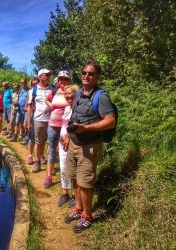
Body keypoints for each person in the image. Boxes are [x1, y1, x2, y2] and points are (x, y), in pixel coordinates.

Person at [63, 60, 116, 233]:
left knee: (85, 182)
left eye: (91, 73)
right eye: (84, 72)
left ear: (97, 76)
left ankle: (87, 215)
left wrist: (86, 128)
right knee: (75, 179)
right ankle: (78, 209)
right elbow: (74, 115)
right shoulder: (78, 93)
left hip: (90, 146)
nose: (86, 76)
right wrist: (67, 136)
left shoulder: (101, 96)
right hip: (74, 143)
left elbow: (110, 121)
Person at [43, 70, 70, 188]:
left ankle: (66, 180)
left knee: (66, 152)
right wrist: (52, 107)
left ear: (68, 81)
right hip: (52, 125)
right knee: (52, 151)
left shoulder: (71, 93)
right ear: (58, 81)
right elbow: (46, 100)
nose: (63, 81)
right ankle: (49, 176)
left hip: (66, 127)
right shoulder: (53, 92)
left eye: (65, 79)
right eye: (61, 79)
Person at [27, 69, 54, 173]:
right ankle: (38, 162)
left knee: (50, 143)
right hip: (38, 120)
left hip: (51, 120)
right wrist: (29, 122)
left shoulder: (53, 89)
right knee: (38, 142)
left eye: (49, 75)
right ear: (40, 77)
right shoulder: (33, 91)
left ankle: (49, 164)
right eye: (46, 75)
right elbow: (30, 107)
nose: (48, 76)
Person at [56, 85, 79, 207]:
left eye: (70, 93)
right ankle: (65, 193)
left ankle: (75, 195)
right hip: (62, 144)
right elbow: (63, 127)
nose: (67, 96)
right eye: (66, 94)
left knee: (73, 170)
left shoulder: (78, 109)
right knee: (63, 168)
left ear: (76, 94)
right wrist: (59, 143)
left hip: (73, 144)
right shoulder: (66, 109)